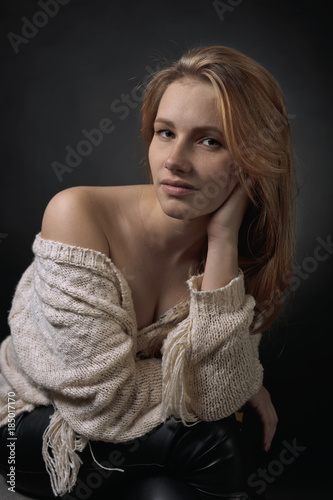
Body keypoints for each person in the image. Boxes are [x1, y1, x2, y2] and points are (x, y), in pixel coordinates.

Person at [0, 45, 295, 499]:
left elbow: (217, 394)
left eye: (209, 140)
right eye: (165, 132)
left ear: (252, 162)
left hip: (134, 442)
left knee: (168, 488)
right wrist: (237, 381)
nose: (175, 159)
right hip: (31, 434)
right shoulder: (77, 214)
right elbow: (106, 405)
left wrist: (222, 242)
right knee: (213, 442)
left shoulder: (241, 247)